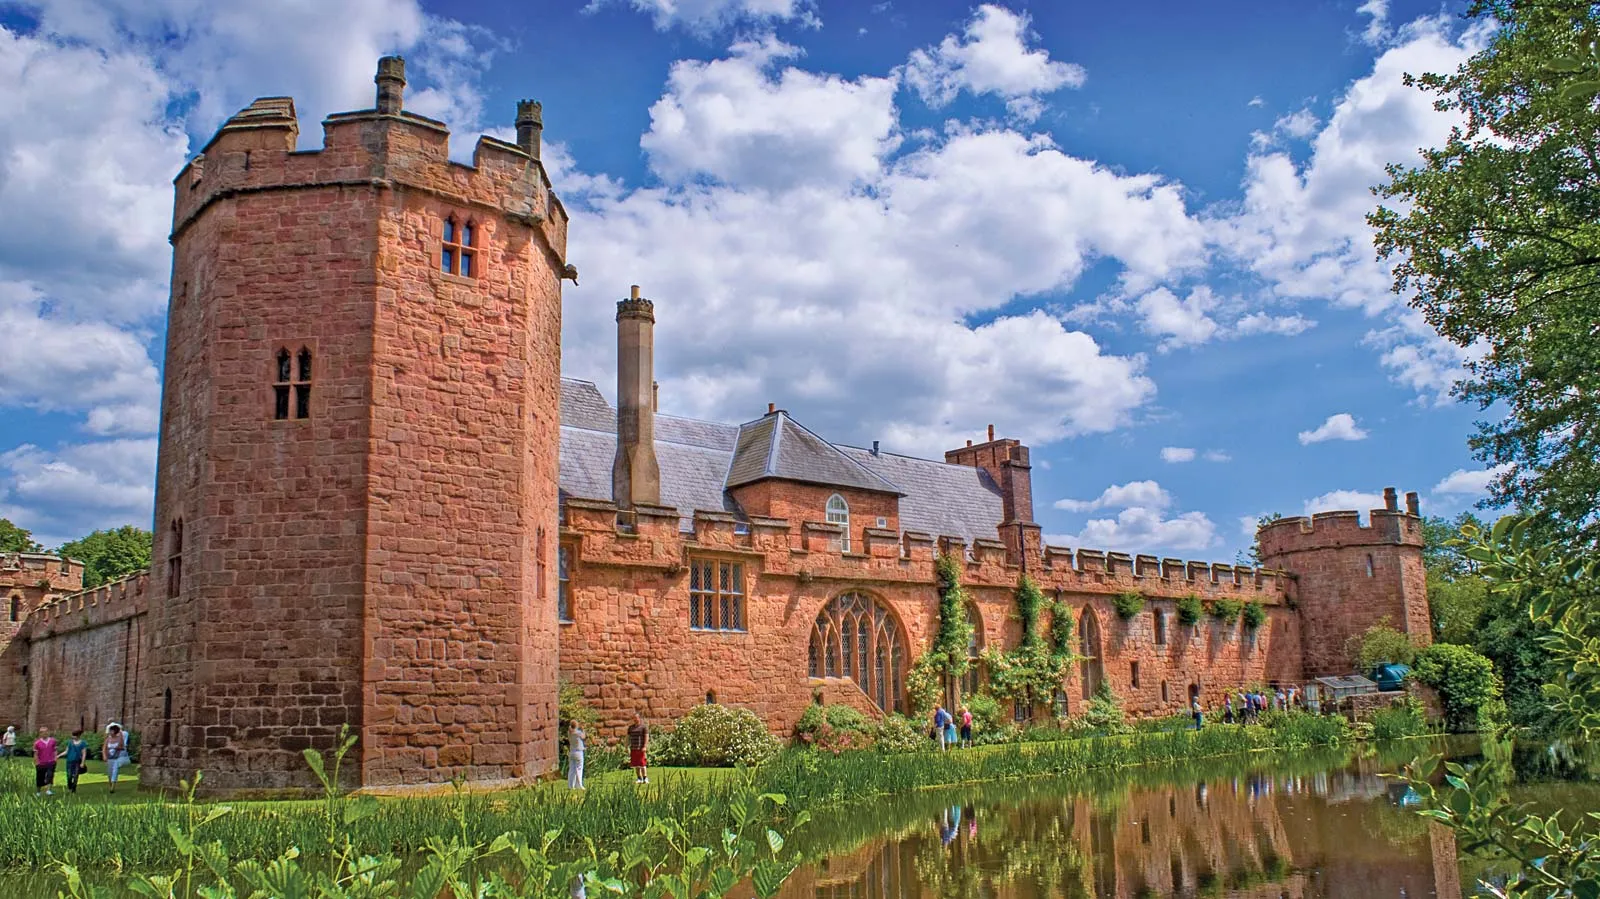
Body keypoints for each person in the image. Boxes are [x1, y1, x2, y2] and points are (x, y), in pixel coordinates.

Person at [103, 723, 130, 794]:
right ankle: (110, 785)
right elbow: (104, 748)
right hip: (109, 757)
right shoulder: (108, 739)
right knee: (110, 772)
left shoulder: (119, 739)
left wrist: (118, 748)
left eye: (111, 731)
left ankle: (113, 787)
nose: (110, 732)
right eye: (110, 731)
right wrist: (105, 756)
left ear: (115, 731)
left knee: (115, 770)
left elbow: (123, 747)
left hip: (116, 757)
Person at [34, 726, 58, 796]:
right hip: (41, 763)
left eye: (45, 732)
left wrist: (55, 758)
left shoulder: (53, 741)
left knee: (50, 775)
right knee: (40, 777)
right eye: (42, 732)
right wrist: (36, 762)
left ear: (48, 732)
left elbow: (55, 750)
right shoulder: (37, 743)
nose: (44, 733)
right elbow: (36, 754)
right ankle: (38, 791)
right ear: (40, 733)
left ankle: (48, 790)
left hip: (51, 762)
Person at [627, 713, 649, 785]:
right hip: (633, 748)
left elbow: (646, 737)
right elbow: (628, 737)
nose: (635, 719)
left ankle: (645, 778)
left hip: (641, 748)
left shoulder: (644, 727)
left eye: (636, 718)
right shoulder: (630, 728)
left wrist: (645, 746)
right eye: (634, 718)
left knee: (642, 764)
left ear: (639, 718)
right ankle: (639, 778)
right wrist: (626, 746)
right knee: (636, 765)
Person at [65, 729, 89, 794]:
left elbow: (84, 753)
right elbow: (66, 751)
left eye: (74, 735)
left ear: (78, 735)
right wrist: (58, 756)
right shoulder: (70, 742)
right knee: (69, 776)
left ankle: (74, 789)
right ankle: (70, 786)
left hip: (77, 761)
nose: (73, 737)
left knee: (76, 776)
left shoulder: (83, 743)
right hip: (69, 761)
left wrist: (82, 763)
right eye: (72, 735)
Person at [567, 722, 586, 790]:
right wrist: (583, 729)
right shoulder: (578, 733)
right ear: (576, 725)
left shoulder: (569, 733)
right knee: (579, 769)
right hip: (578, 752)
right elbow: (583, 736)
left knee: (571, 769)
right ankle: (579, 785)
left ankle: (570, 785)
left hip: (572, 752)